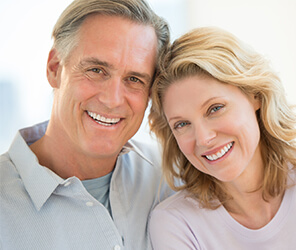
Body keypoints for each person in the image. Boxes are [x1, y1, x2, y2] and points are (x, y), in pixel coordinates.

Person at [148, 27, 296, 249]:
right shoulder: (176, 224)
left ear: (255, 95)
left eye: (215, 108)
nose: (204, 138)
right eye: (182, 124)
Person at [0, 0, 173, 249]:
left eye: (134, 79)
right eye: (96, 70)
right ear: (55, 68)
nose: (112, 100)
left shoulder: (173, 179)